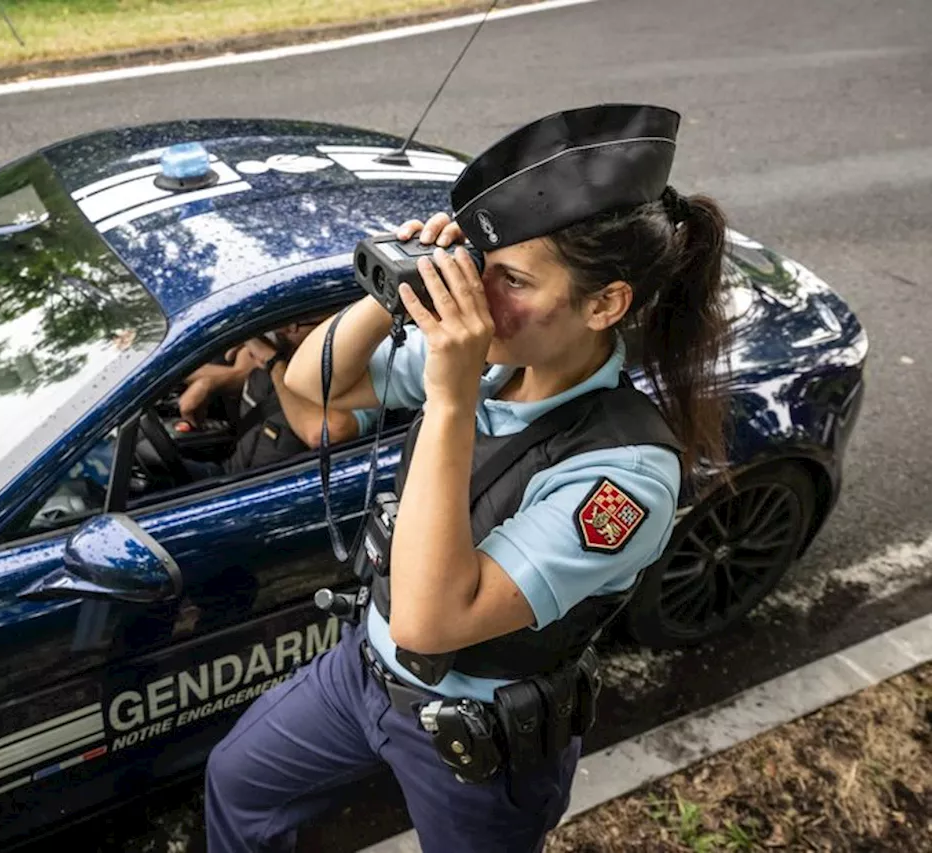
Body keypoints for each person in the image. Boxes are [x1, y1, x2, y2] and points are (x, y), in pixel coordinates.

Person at [202, 104, 733, 851]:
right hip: (364, 671)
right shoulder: (492, 362)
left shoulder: (626, 475)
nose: (478, 299)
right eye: (478, 267)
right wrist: (396, 286)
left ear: (605, 303)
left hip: (474, 734)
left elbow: (434, 621)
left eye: (512, 278)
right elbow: (310, 394)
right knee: (238, 779)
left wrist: (450, 395)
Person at [178, 318, 377, 475]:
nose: (284, 330)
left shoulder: (364, 371)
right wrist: (208, 382)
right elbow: (243, 373)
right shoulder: (283, 344)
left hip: (261, 491)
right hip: (230, 470)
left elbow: (325, 433)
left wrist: (274, 362)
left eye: (296, 324)